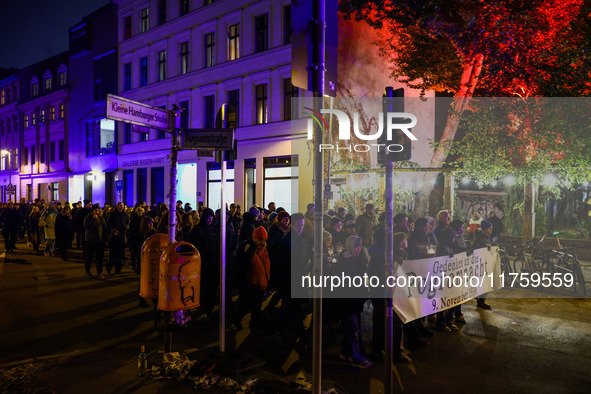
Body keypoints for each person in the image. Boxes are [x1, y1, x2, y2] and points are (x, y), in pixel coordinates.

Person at [337, 236, 371, 369]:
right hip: (347, 301)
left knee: (351, 329)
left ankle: (345, 353)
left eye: (360, 246)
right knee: (354, 330)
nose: (358, 249)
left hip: (356, 301)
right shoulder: (345, 262)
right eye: (356, 246)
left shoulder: (357, 259)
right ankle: (358, 357)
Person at [232, 226, 271, 332]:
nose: (261, 242)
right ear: (255, 238)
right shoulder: (247, 247)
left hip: (260, 283)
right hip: (250, 284)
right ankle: (236, 321)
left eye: (263, 240)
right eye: (260, 240)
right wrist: (241, 283)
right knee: (244, 306)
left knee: (256, 308)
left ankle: (256, 327)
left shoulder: (264, 248)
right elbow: (239, 267)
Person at [187, 208, 219, 319]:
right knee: (204, 287)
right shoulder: (197, 230)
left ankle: (208, 308)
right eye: (208, 218)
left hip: (213, 263)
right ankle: (204, 306)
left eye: (211, 218)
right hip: (202, 263)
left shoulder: (214, 229)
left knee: (212, 286)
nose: (210, 220)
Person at [468, 219, 493, 310]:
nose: (491, 231)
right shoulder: (477, 237)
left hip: (485, 264)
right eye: (490, 229)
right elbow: (475, 248)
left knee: (486, 282)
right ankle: (479, 299)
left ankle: (481, 300)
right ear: (485, 229)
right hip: (478, 264)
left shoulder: (487, 237)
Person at [84, 204, 108, 279]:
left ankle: (99, 272)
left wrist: (106, 239)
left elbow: (104, 229)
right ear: (92, 211)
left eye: (98, 210)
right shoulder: (88, 218)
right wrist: (93, 219)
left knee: (99, 258)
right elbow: (87, 227)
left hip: (99, 241)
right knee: (89, 257)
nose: (97, 211)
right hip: (90, 241)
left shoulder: (101, 219)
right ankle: (87, 271)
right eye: (96, 210)